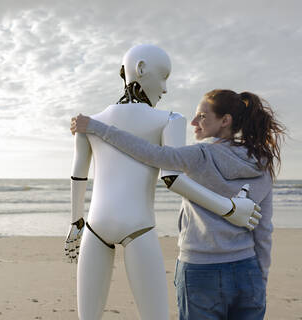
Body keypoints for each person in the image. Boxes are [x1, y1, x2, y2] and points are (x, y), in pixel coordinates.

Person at [66, 44, 261, 320]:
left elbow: (78, 174)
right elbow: (172, 177)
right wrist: (229, 208)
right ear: (142, 69)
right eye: (164, 76)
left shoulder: (89, 122)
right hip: (139, 229)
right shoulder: (169, 119)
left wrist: (75, 223)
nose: (166, 89)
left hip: (94, 229)